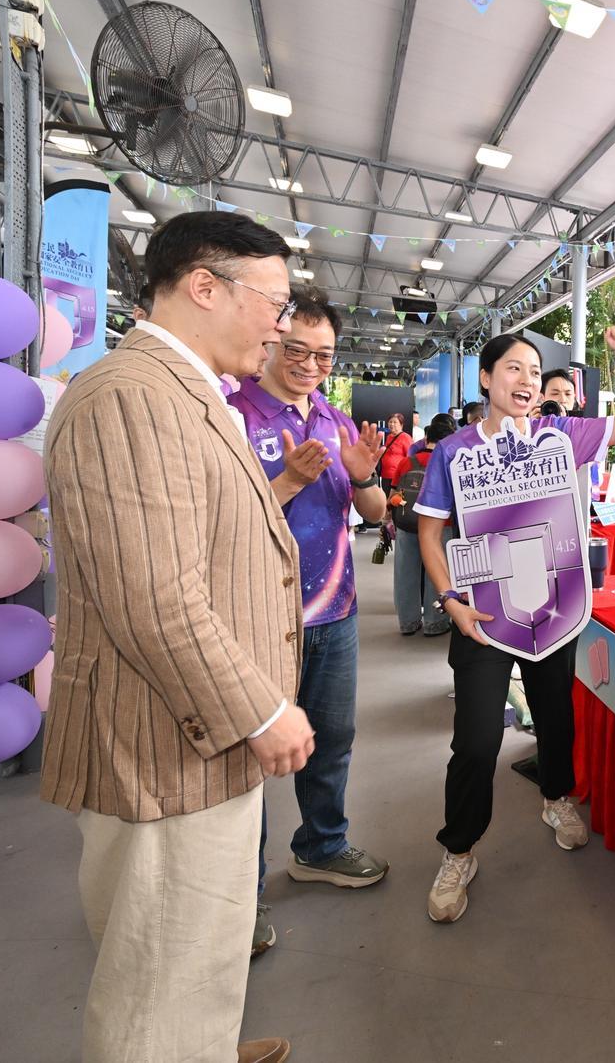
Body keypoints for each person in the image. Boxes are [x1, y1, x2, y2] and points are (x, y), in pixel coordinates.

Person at [42, 210, 311, 1063]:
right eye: (272, 300)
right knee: (157, 971)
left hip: (192, 738)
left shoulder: (185, 392)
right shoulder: (131, 396)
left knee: (197, 947)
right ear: (204, 286)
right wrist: (262, 709)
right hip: (162, 746)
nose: (280, 323)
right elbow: (154, 598)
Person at [414, 327, 615, 923]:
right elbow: (428, 531)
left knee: (556, 719)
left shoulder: (561, 435)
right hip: (484, 617)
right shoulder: (455, 451)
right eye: (512, 369)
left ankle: (555, 798)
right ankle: (459, 849)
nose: (524, 380)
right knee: (475, 741)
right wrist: (450, 600)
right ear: (487, 380)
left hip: (551, 610)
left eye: (532, 370)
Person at [227, 286, 392, 956]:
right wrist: (290, 480)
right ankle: (242, 896)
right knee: (250, 758)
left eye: (323, 354)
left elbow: (378, 516)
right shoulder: (233, 413)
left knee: (334, 738)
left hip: (337, 611)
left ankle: (320, 846)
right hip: (259, 620)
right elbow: (224, 525)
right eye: (296, 349)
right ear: (270, 340)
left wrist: (361, 477)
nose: (309, 364)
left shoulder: (333, 416)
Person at [392, 413, 459, 635]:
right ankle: (435, 622)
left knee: (405, 573)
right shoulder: (451, 463)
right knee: (437, 572)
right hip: (442, 525)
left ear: (427, 436)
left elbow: (393, 495)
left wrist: (387, 521)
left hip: (407, 523)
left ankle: (408, 622)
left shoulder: (406, 462)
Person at [379, 412, 413, 487]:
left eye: (395, 422)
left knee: (395, 498)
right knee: (386, 497)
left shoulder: (406, 437)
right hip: (385, 475)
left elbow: (410, 458)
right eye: (390, 422)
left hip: (398, 476)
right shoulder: (389, 437)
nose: (392, 424)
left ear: (401, 424)